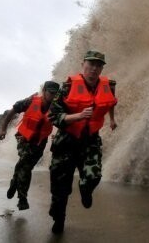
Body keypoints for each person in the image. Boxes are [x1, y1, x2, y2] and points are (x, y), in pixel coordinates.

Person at [48, 50, 118, 234]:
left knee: (94, 176)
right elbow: (53, 116)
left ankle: (85, 189)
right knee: (60, 189)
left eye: (98, 65)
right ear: (83, 65)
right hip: (66, 141)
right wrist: (77, 116)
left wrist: (112, 119)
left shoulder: (108, 85)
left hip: (90, 140)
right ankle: (59, 218)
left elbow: (110, 103)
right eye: (91, 64)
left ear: (102, 68)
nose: (94, 69)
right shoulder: (67, 87)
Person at [0, 80, 60, 210]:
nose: (53, 96)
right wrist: (3, 128)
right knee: (25, 165)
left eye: (55, 93)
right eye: (50, 93)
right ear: (44, 91)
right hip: (23, 137)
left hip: (40, 141)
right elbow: (13, 110)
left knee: (27, 165)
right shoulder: (31, 101)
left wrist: (58, 136)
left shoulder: (56, 107)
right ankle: (22, 199)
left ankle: (15, 182)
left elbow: (62, 121)